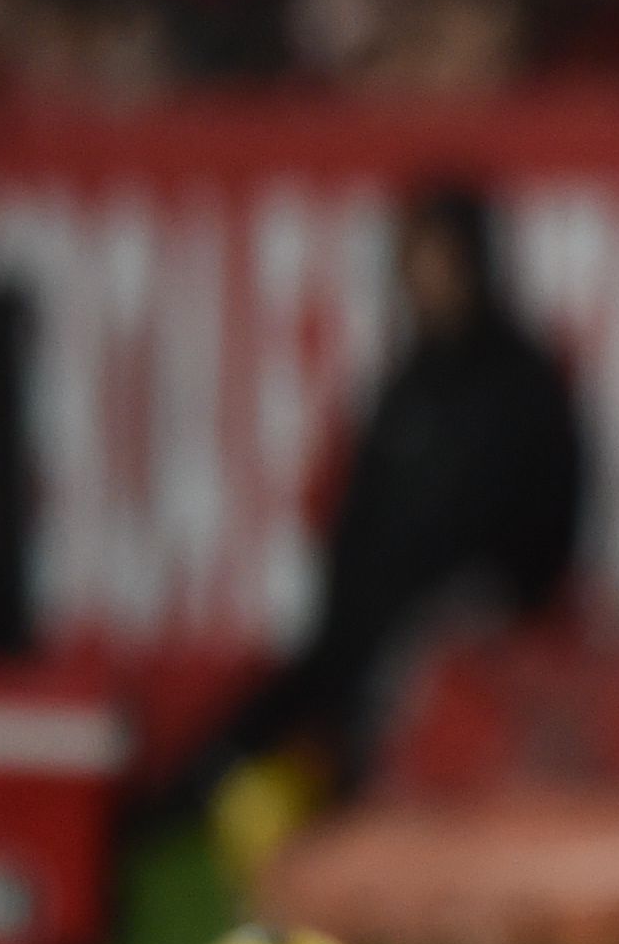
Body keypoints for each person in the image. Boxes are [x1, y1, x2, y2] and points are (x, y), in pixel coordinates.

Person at [168, 183, 584, 863]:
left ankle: (352, 804)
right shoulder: (405, 382)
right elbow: (355, 520)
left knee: (384, 726)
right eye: (414, 261)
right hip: (359, 634)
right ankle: (180, 802)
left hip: (463, 649)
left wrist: (478, 613)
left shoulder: (526, 387)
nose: (425, 280)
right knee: (250, 727)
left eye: (439, 260)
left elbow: (547, 536)